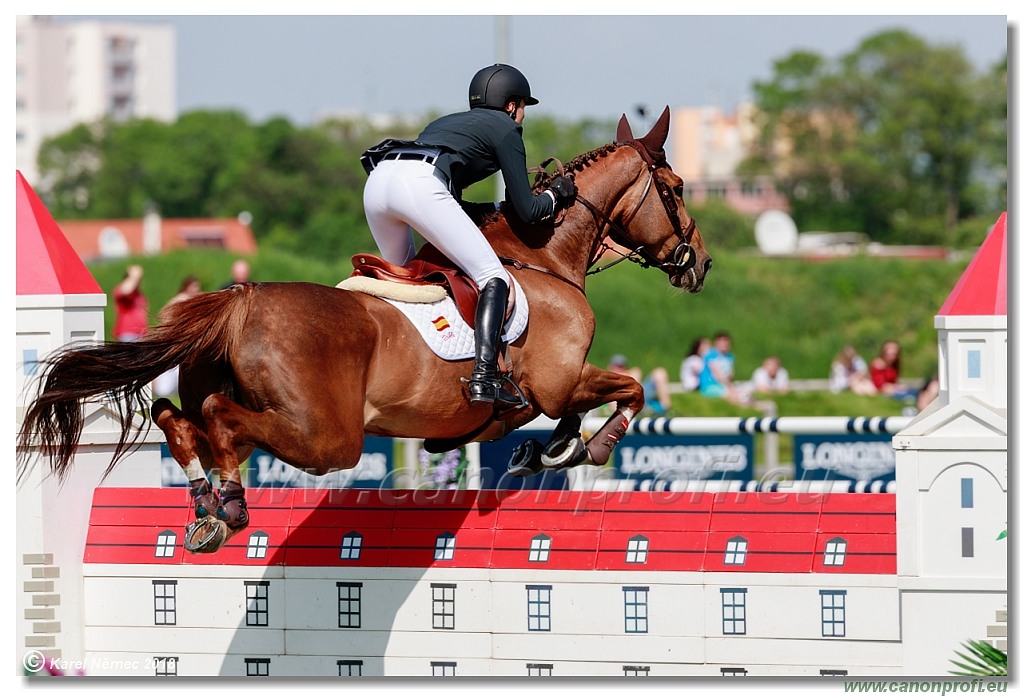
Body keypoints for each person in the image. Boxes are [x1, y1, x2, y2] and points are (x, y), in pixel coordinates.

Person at [360, 64, 577, 409]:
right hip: (420, 185)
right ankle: (485, 376)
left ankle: (400, 363)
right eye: (523, 107)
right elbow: (529, 212)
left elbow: (455, 205)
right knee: (493, 276)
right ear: (511, 105)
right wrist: (556, 194)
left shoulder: (445, 123)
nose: (522, 116)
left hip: (380, 180)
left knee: (404, 278)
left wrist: (496, 206)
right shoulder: (506, 128)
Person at [152, 276, 203, 398]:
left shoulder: (195, 299)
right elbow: (163, 314)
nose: (196, 289)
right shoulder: (182, 299)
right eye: (194, 286)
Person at [699, 331, 750, 406]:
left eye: (726, 342)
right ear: (716, 343)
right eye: (721, 342)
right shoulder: (710, 355)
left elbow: (730, 374)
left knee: (744, 393)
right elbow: (718, 375)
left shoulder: (729, 357)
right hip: (710, 385)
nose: (724, 345)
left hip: (724, 385)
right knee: (734, 396)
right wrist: (731, 387)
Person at [112, 264, 149, 342]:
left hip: (141, 334)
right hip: (128, 334)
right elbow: (126, 291)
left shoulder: (139, 294)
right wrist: (134, 276)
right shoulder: (120, 290)